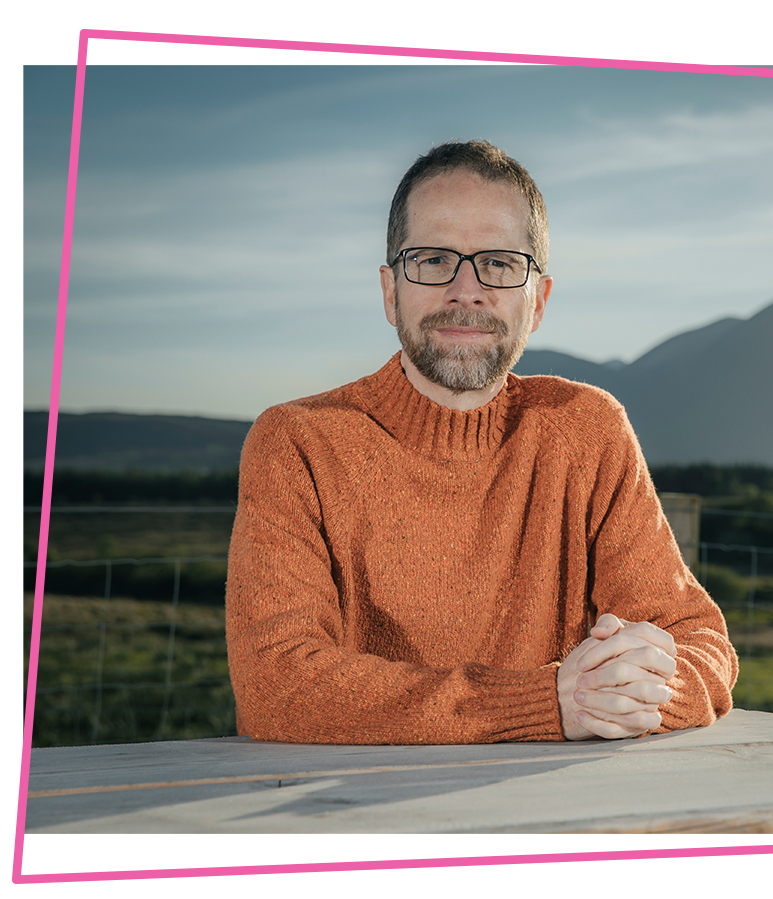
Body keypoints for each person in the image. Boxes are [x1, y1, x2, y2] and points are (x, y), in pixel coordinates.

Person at [225, 139, 737, 745]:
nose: (466, 290)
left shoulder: (587, 430)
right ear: (390, 292)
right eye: (435, 259)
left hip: (564, 814)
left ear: (538, 301)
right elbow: (277, 688)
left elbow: (702, 644)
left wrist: (636, 691)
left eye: (498, 263)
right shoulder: (299, 444)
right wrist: (546, 703)